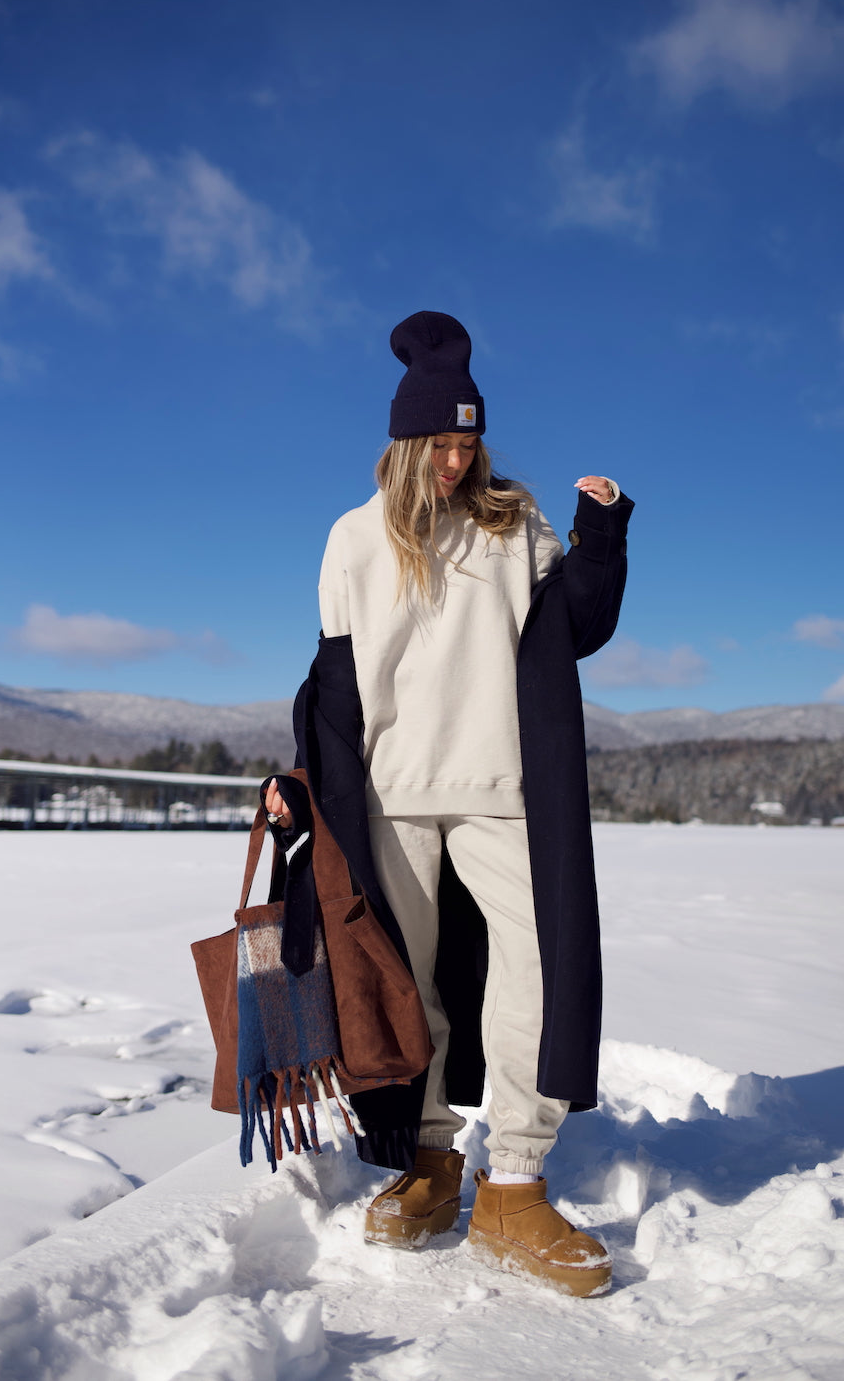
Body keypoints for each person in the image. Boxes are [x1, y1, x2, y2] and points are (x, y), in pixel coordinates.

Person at [265, 311, 633, 1298]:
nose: (458, 461)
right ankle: (427, 1156)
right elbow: (333, 680)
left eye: (469, 443)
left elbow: (576, 630)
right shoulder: (351, 539)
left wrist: (599, 534)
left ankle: (512, 1179)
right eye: (441, 444)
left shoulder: (514, 523)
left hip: (506, 792)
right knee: (405, 984)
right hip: (388, 797)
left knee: (539, 969)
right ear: (405, 443)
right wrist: (301, 778)